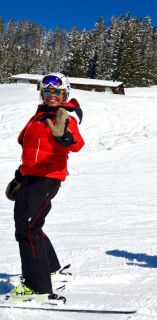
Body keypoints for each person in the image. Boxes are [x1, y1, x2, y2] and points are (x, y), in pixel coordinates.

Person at [5, 73, 84, 299]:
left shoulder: (64, 117)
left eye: (57, 91)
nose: (52, 95)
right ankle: (50, 269)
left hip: (47, 178)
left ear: (65, 94)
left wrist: (64, 136)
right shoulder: (38, 117)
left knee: (27, 229)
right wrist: (20, 176)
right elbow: (31, 151)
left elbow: (77, 142)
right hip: (31, 177)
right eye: (47, 91)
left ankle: (37, 287)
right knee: (32, 225)